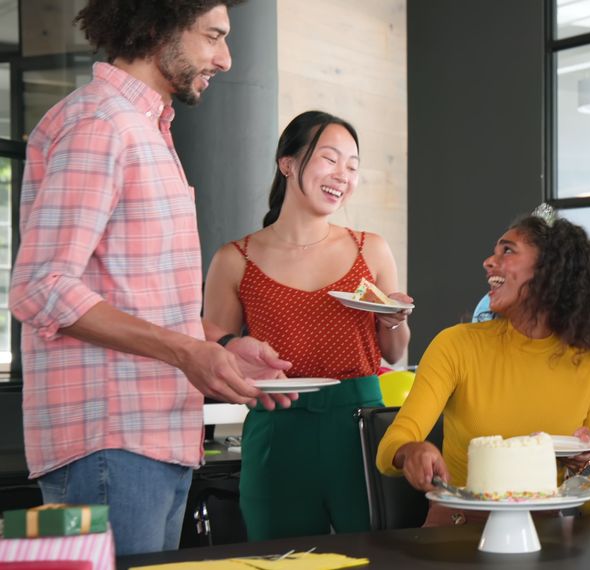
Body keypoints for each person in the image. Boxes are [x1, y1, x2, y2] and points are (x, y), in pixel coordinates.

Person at [8, 0, 296, 556]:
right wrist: (183, 353)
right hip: (109, 444)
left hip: (151, 441)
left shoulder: (144, 129)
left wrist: (223, 347)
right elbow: (40, 285)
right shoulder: (100, 124)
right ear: (157, 26)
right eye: (212, 37)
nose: (227, 58)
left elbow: (133, 293)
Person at [203, 110, 412, 539]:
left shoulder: (370, 249)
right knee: (279, 560)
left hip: (359, 422)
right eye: (330, 159)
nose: (343, 175)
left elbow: (394, 353)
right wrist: (231, 352)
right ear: (288, 163)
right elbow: (212, 346)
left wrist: (392, 320)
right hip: (277, 425)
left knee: (375, 555)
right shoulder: (234, 258)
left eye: (353, 166)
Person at [376, 213, 590, 526]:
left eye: (508, 251)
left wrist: (583, 467)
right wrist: (410, 450)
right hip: (455, 534)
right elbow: (390, 449)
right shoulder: (456, 345)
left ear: (552, 269)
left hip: (546, 540)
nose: (488, 262)